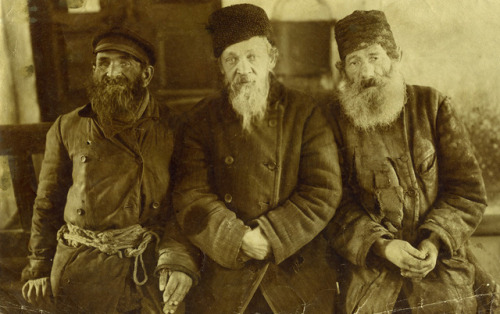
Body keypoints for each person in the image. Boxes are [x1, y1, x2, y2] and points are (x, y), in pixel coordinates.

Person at [172, 4, 342, 313]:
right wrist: (237, 239)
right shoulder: (200, 120)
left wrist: (272, 236)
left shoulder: (306, 113)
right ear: (221, 67)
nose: (243, 69)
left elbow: (323, 190)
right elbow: (191, 194)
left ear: (272, 59)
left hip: (294, 268)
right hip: (226, 273)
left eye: (253, 57)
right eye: (232, 59)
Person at [21, 26, 199, 314]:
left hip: (149, 266)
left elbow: (188, 203)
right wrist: (39, 267)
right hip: (80, 268)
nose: (112, 72)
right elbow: (47, 204)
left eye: (125, 62)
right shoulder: (68, 126)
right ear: (93, 70)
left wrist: (178, 260)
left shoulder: (173, 127)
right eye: (103, 62)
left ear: (147, 75)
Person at [325, 10, 490, 313]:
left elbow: (467, 191)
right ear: (342, 69)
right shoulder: (333, 122)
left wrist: (433, 242)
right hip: (370, 268)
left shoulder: (434, 106)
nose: (367, 72)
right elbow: (334, 205)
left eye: (374, 57)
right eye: (355, 61)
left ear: (396, 56)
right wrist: (383, 246)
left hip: (440, 261)